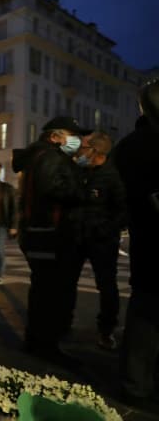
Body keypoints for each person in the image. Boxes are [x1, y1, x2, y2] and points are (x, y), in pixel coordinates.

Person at [11, 116, 87, 365]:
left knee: (43, 290)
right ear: (55, 136)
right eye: (71, 134)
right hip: (51, 233)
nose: (77, 140)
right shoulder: (51, 158)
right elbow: (53, 188)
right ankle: (45, 344)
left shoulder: (38, 157)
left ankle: (38, 340)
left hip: (40, 233)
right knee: (51, 292)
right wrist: (81, 190)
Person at [113, 80, 159, 403]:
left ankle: (136, 384)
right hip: (152, 241)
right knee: (146, 319)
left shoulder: (128, 146)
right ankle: (137, 385)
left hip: (147, 246)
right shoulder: (146, 144)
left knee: (144, 314)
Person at [60, 132, 126, 350]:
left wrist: (105, 229)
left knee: (107, 286)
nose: (79, 150)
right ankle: (63, 325)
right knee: (67, 283)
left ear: (95, 151)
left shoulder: (113, 176)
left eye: (84, 147)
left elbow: (122, 211)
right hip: (76, 238)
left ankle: (106, 330)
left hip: (102, 241)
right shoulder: (79, 172)